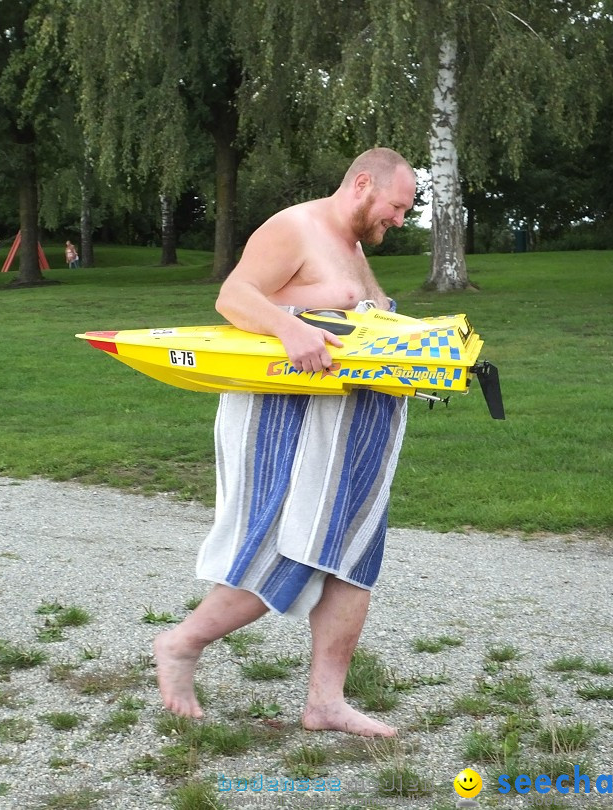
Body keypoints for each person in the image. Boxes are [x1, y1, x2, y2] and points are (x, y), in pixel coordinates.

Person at [153, 147, 417, 737]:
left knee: (352, 553)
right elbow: (234, 296)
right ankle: (181, 643)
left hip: (351, 425)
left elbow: (371, 318)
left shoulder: (350, 248)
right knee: (286, 543)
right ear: (363, 184)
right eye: (397, 207)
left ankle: (325, 702)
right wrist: (290, 326)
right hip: (288, 419)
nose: (399, 221)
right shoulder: (294, 227)